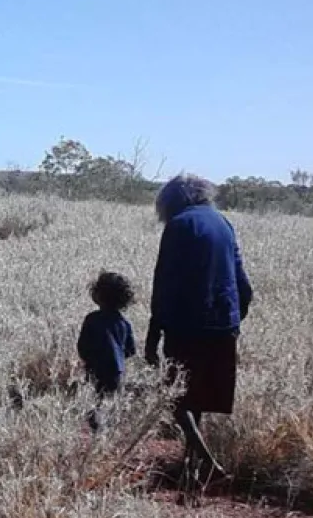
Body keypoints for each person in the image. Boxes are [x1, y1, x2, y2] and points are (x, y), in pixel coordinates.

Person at [145, 173, 253, 479]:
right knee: (199, 398)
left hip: (187, 323)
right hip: (222, 323)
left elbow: (164, 280)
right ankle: (190, 470)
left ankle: (204, 459)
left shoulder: (179, 225)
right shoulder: (223, 223)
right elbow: (242, 282)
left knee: (176, 396)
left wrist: (155, 331)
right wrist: (234, 318)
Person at [76, 271, 137, 431]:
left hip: (96, 368)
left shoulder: (92, 319)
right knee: (111, 404)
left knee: (94, 404)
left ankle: (99, 435)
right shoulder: (124, 323)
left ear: (99, 296)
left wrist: (87, 359)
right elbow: (131, 350)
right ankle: (107, 433)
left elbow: (83, 346)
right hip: (117, 371)